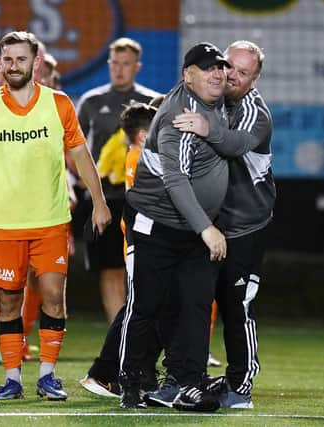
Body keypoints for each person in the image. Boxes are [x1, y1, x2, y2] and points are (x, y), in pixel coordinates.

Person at [0, 31, 111, 400]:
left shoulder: (59, 103)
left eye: (21, 59)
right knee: (8, 302)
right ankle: (13, 378)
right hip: (4, 224)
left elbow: (81, 155)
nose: (13, 66)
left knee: (53, 296)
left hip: (51, 219)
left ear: (35, 62)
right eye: (8, 59)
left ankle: (48, 376)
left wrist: (99, 202)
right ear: (0, 62)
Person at [118, 42, 230, 411]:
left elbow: (248, 138)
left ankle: (188, 382)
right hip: (157, 224)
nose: (218, 74)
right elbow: (176, 181)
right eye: (208, 68)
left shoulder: (213, 104)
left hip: (191, 226)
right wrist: (207, 229)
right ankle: (131, 381)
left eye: (221, 67)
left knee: (196, 305)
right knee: (147, 304)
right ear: (187, 74)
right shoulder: (176, 118)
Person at [170, 40, 275, 409]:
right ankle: (181, 378)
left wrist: (203, 127)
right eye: (228, 65)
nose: (231, 75)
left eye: (243, 72)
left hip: (243, 226)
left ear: (255, 79)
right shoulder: (207, 98)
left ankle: (240, 386)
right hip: (206, 223)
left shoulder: (253, 111)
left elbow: (233, 144)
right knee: (188, 301)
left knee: (236, 305)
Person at [76, 37, 159, 323]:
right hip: (103, 198)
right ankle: (119, 333)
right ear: (108, 64)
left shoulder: (152, 102)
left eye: (126, 64)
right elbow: (72, 148)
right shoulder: (91, 101)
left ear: (137, 67)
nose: (119, 70)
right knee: (110, 268)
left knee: (142, 268)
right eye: (115, 63)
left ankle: (141, 330)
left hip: (144, 198)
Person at [79, 102, 159, 398]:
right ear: (142, 135)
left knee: (144, 310)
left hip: (144, 243)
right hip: (146, 244)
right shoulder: (142, 157)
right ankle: (107, 373)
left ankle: (136, 373)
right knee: (136, 310)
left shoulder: (137, 153)